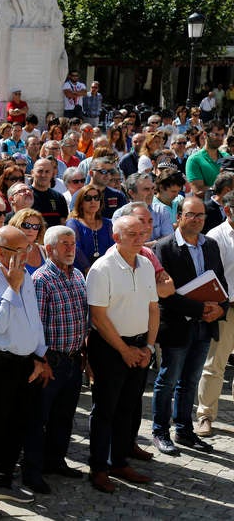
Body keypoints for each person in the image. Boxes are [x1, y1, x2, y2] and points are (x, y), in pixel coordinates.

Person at [0, 226, 52, 518]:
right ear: (1, 252)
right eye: (20, 250)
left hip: (26, 361)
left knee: (18, 424)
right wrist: (12, 287)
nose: (27, 255)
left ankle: (3, 481)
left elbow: (34, 319)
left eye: (28, 248)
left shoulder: (24, 274)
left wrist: (39, 356)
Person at [85, 215, 158, 493]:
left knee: (128, 407)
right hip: (109, 348)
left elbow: (153, 308)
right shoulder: (102, 269)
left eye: (142, 233)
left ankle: (119, 461)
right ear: (116, 237)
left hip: (139, 346)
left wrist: (148, 347)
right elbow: (98, 317)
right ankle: (98, 468)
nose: (140, 238)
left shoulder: (146, 264)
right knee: (105, 410)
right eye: (132, 234)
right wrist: (124, 350)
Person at [151, 197, 227, 455]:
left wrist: (220, 308)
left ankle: (184, 430)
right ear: (179, 217)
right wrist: (199, 310)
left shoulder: (211, 245)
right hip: (177, 325)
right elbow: (165, 294)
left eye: (200, 215)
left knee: (191, 381)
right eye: (191, 214)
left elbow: (220, 282)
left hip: (205, 325)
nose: (196, 219)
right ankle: (160, 431)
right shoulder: (164, 247)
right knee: (168, 380)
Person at [23, 226, 87, 494]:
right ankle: (32, 472)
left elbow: (83, 318)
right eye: (64, 244)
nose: (71, 248)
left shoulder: (78, 275)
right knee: (38, 419)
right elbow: (35, 325)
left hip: (73, 359)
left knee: (64, 416)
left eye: (73, 243)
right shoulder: (41, 279)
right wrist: (41, 360)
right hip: (51, 360)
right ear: (49, 249)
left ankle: (55, 461)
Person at [197, 192, 234, 437]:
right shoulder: (215, 236)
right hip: (225, 309)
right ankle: (205, 416)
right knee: (214, 365)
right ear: (228, 211)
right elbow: (209, 276)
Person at [67, 185, 114, 273]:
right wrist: (88, 268)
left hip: (106, 270)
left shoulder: (108, 223)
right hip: (82, 272)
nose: (93, 201)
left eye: (96, 198)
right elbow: (76, 248)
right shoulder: (73, 223)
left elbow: (113, 247)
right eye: (88, 198)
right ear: (81, 203)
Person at [8, 209, 48, 274]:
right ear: (16, 226)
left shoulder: (45, 251)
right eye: (26, 225)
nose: (31, 230)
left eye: (35, 226)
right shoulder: (8, 252)